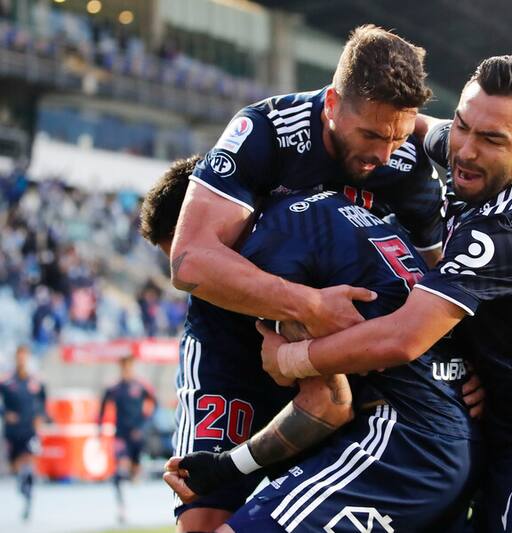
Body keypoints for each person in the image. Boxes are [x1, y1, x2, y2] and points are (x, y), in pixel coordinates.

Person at [259, 55, 512, 533]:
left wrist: (293, 360)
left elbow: (403, 339)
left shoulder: (506, 230)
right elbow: (422, 128)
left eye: (491, 139)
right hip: (496, 416)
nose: (465, 152)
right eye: (463, 126)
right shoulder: (480, 159)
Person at [140, 159, 483, 532]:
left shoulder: (270, 245)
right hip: (447, 429)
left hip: (402, 437)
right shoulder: (337, 207)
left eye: (191, 261)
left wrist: (290, 361)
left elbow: (328, 405)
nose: (196, 283)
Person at [169, 24, 445, 340]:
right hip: (242, 338)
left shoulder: (407, 156)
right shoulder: (268, 131)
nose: (384, 154)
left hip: (358, 342)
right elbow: (190, 260)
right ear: (332, 103)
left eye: (399, 137)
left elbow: (434, 269)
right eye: (370, 135)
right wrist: (310, 306)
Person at [98, 355, 158, 523]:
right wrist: (100, 429)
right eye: (124, 366)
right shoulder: (114, 388)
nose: (127, 369)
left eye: (129, 366)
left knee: (135, 474)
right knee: (120, 471)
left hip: (137, 436)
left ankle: (135, 496)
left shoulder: (141, 385)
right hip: (121, 435)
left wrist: (144, 425)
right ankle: (122, 506)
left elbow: (155, 404)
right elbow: (102, 409)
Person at [0, 344, 46, 521]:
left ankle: (28, 492)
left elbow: (43, 402)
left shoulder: (35, 382)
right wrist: (4, 413)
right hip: (12, 430)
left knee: (29, 459)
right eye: (19, 356)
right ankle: (22, 483)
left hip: (29, 429)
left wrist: (41, 416)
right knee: (15, 465)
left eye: (24, 357)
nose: (21, 360)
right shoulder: (6, 381)